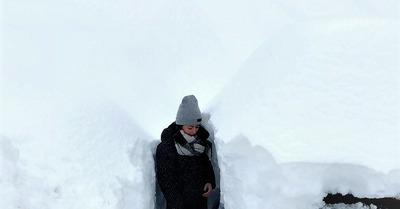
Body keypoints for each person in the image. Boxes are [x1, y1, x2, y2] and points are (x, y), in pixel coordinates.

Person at [156, 95, 216, 209]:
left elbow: (206, 164)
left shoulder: (202, 143)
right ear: (180, 124)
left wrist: (209, 181)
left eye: (197, 127)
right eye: (190, 127)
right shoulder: (167, 147)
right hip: (178, 204)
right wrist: (177, 204)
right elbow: (166, 180)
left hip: (200, 201)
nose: (194, 131)